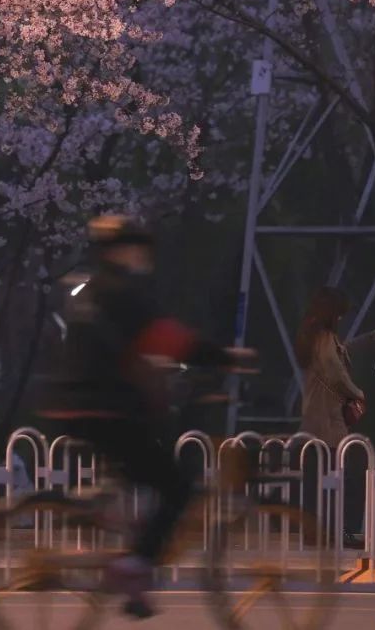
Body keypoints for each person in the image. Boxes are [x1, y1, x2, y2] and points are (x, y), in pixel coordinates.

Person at [38, 215, 254, 593]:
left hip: (74, 405)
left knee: (140, 474)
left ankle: (117, 542)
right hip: (108, 409)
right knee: (177, 487)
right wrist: (222, 356)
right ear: (122, 250)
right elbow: (169, 340)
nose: (140, 255)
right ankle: (135, 566)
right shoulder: (121, 293)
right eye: (135, 247)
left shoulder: (87, 292)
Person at [296, 286, 375, 547]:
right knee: (336, 478)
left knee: (316, 478)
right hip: (328, 420)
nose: (342, 319)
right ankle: (334, 532)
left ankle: (314, 531)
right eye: (340, 314)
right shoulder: (325, 338)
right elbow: (335, 371)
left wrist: (368, 339)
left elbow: (337, 356)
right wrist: (358, 393)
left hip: (312, 418)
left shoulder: (313, 337)